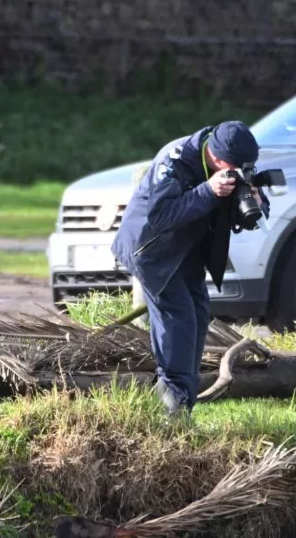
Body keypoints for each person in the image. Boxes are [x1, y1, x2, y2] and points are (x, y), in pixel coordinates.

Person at [111, 121, 262, 417]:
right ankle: (172, 409)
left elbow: (239, 208)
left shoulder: (231, 162)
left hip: (187, 249)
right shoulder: (174, 160)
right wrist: (208, 190)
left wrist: (256, 200)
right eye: (233, 169)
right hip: (152, 250)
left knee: (197, 316)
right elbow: (160, 217)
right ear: (218, 159)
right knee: (178, 320)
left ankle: (180, 402)